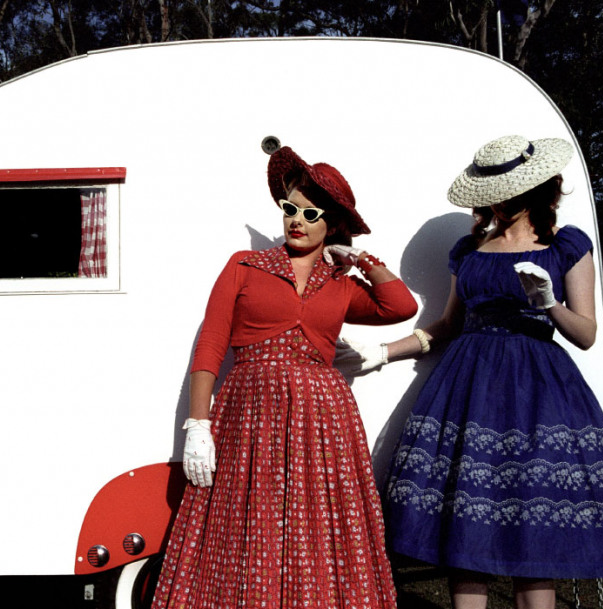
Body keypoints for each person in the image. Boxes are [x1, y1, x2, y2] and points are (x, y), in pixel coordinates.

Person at [354, 135, 603, 609]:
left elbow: (587, 333)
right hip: (467, 391)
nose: (498, 199)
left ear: (536, 188)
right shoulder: (470, 249)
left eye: (509, 188)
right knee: (466, 526)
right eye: (492, 190)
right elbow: (449, 324)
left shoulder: (565, 245)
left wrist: (548, 303)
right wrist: (384, 350)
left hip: (537, 392)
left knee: (532, 530)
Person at [151, 146, 418, 609]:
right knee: (246, 519)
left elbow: (401, 306)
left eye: (310, 213)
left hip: (322, 420)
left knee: (315, 521)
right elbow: (212, 342)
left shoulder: (340, 284)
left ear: (330, 224)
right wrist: (198, 424)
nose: (296, 220)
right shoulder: (244, 265)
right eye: (289, 208)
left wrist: (360, 258)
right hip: (248, 413)